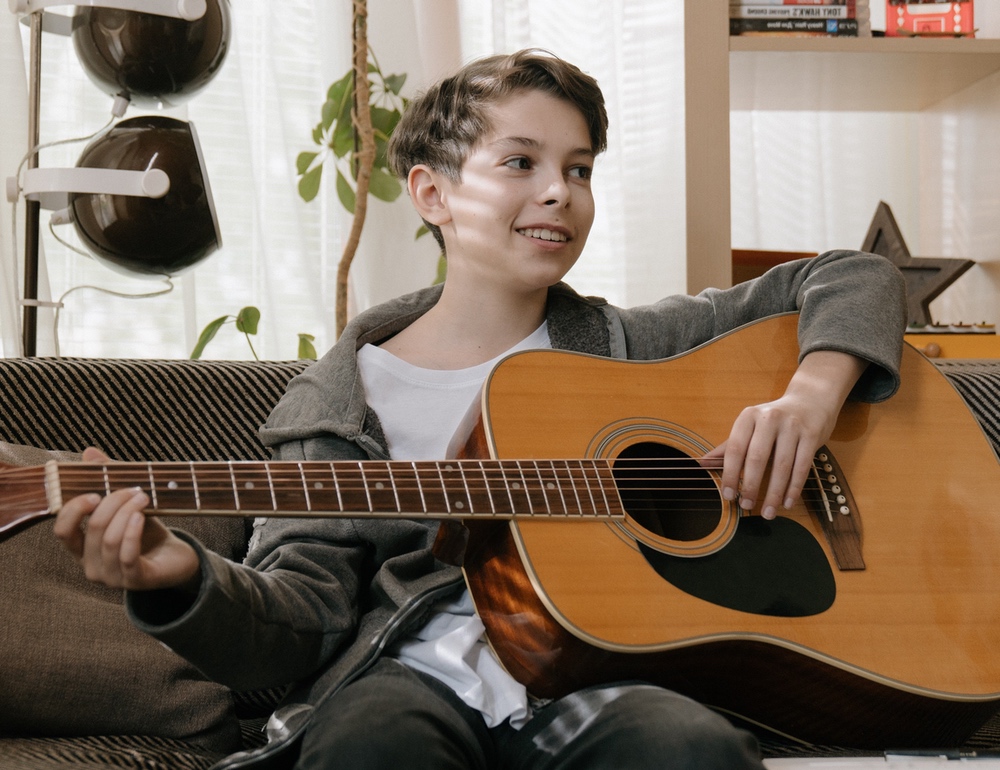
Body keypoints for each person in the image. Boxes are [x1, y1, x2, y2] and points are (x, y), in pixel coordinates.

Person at [55, 49, 907, 770]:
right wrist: (178, 578)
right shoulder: (344, 399)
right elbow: (300, 623)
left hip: (613, 676)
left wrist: (810, 394)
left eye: (579, 169)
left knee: (684, 744)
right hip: (409, 678)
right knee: (368, 744)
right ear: (432, 195)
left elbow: (853, 274)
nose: (559, 192)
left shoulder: (632, 345)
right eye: (520, 162)